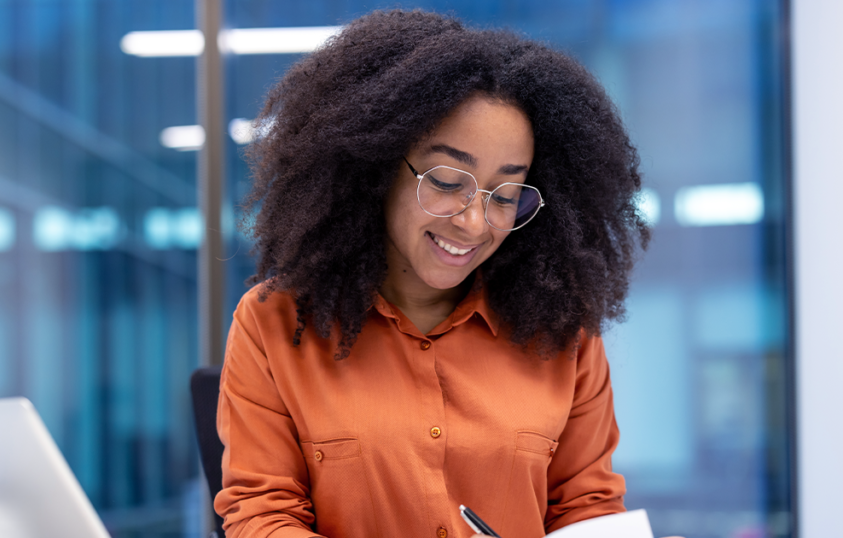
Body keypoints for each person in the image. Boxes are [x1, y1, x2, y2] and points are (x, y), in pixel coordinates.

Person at [214, 9, 658, 538]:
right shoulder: (274, 323)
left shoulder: (565, 334)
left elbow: (587, 509)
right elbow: (262, 515)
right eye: (448, 180)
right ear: (376, 165)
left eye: (506, 195)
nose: (474, 222)